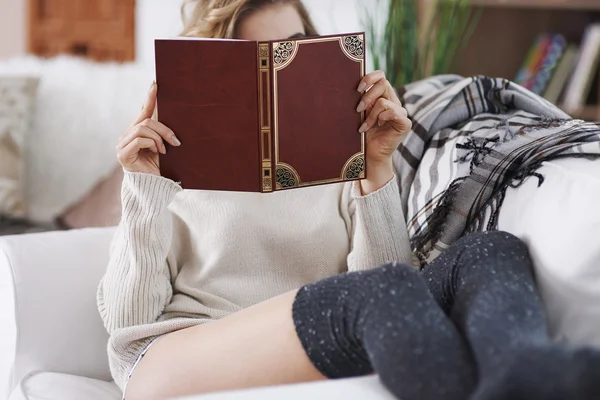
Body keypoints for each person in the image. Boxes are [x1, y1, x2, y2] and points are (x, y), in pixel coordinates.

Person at [98, 1, 600, 400]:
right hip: (173, 362)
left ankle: (528, 372)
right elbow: (126, 323)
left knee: (491, 249)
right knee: (377, 294)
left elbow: (386, 278)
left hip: (321, 333)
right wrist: (144, 186)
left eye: (290, 50)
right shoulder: (170, 166)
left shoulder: (335, 162)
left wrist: (377, 168)